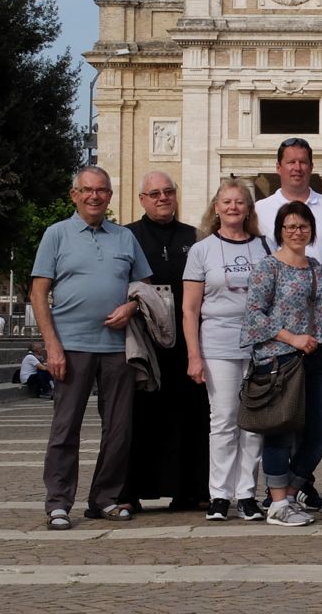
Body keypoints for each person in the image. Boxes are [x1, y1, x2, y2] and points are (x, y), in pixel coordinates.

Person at [30, 167, 153, 530]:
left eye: (101, 190)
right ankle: (58, 502)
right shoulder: (56, 235)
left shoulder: (124, 238)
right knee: (66, 427)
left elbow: (143, 285)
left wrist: (131, 307)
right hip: (71, 346)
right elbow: (38, 293)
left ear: (110, 196)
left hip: (118, 347)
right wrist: (52, 345)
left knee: (119, 429)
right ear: (74, 195)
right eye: (87, 190)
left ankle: (104, 498)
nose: (94, 196)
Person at [242, 200, 322, 527]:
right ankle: (278, 502)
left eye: (303, 226)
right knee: (280, 430)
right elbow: (253, 315)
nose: (298, 231)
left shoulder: (314, 266)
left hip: (316, 357)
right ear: (280, 232)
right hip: (280, 359)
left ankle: (291, 492)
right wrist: (292, 338)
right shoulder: (268, 267)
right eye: (291, 226)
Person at [182, 180, 270, 523]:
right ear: (215, 208)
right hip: (217, 343)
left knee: (253, 423)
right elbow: (190, 308)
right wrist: (194, 355)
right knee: (223, 421)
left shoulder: (263, 248)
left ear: (249, 209)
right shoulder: (201, 250)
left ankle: (246, 493)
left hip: (258, 345)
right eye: (226, 202)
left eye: (240, 202)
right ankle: (219, 494)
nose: (233, 207)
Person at [122, 171, 209, 512]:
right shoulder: (127, 237)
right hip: (144, 343)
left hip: (187, 343)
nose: (162, 198)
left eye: (168, 192)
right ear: (142, 199)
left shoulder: (195, 238)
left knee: (191, 417)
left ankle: (189, 489)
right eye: (154, 193)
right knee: (137, 418)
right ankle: (130, 491)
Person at [255, 138, 322, 265]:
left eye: (303, 162)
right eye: (291, 162)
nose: (297, 168)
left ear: (311, 167)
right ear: (278, 167)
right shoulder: (259, 210)